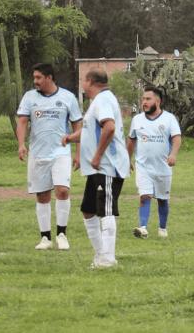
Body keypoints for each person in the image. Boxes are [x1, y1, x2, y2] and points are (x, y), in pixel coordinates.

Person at [63, 69, 130, 268]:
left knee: (106, 210)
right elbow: (89, 131)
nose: (83, 83)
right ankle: (101, 256)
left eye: (84, 80)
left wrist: (98, 155)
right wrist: (69, 138)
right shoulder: (98, 102)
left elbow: (108, 127)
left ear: (90, 81)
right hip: (96, 169)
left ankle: (108, 259)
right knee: (88, 210)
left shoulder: (103, 100)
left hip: (106, 166)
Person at [16, 63, 82, 251]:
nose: (35, 81)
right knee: (43, 195)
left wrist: (78, 153)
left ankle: (62, 234)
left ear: (49, 77)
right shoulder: (29, 97)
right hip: (38, 153)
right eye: (34, 77)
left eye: (38, 77)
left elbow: (78, 126)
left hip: (61, 153)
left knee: (62, 190)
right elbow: (21, 122)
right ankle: (45, 238)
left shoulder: (68, 97)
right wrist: (21, 144)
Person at [127, 86, 182, 239]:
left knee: (163, 200)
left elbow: (177, 138)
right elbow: (131, 141)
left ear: (157, 101)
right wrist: (127, 159)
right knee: (145, 196)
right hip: (143, 166)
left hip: (163, 167)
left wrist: (173, 155)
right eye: (143, 99)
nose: (144, 102)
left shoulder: (169, 118)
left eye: (148, 99)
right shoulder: (137, 120)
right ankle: (143, 227)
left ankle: (162, 229)